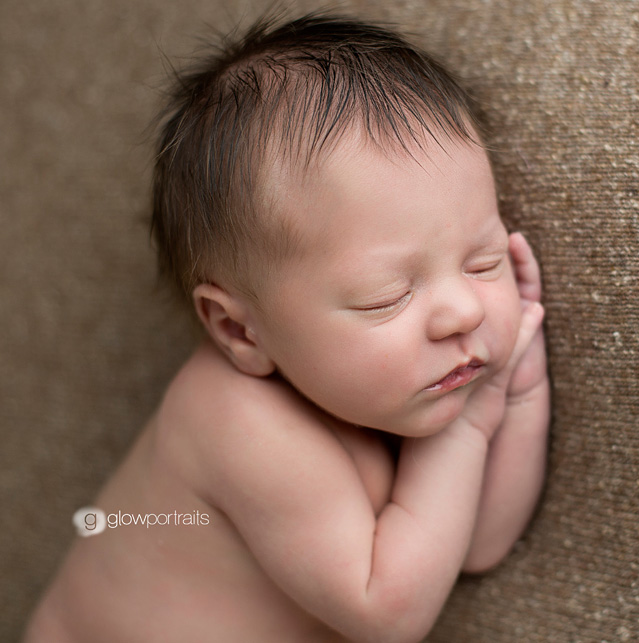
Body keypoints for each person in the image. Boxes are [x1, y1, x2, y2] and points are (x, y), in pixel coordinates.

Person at [25, 12, 550, 642]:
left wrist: (513, 390)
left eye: (482, 261)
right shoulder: (236, 423)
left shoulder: (377, 385)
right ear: (240, 331)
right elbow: (388, 611)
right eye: (386, 297)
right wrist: (468, 424)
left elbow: (475, 544)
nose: (464, 312)